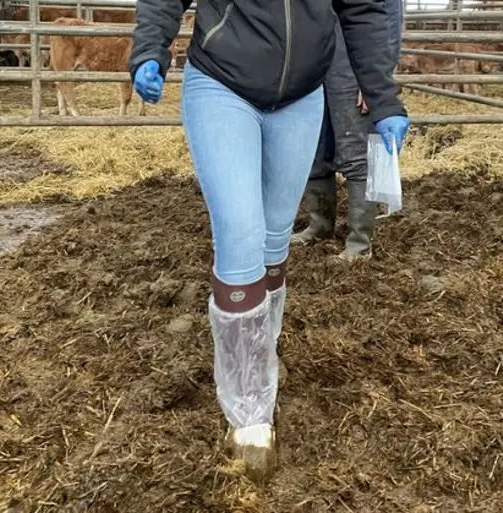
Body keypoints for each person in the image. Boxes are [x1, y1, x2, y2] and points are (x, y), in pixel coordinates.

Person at [129, 0, 410, 484]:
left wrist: (382, 98)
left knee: (274, 238)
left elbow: (362, 9)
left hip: (301, 96)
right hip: (221, 83)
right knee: (240, 235)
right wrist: (148, 51)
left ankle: (260, 351)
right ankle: (249, 413)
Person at [292, 0, 404, 260]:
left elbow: (386, 16)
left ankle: (359, 242)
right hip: (312, 56)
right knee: (315, 146)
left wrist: (376, 80)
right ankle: (319, 226)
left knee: (355, 147)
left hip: (352, 57)